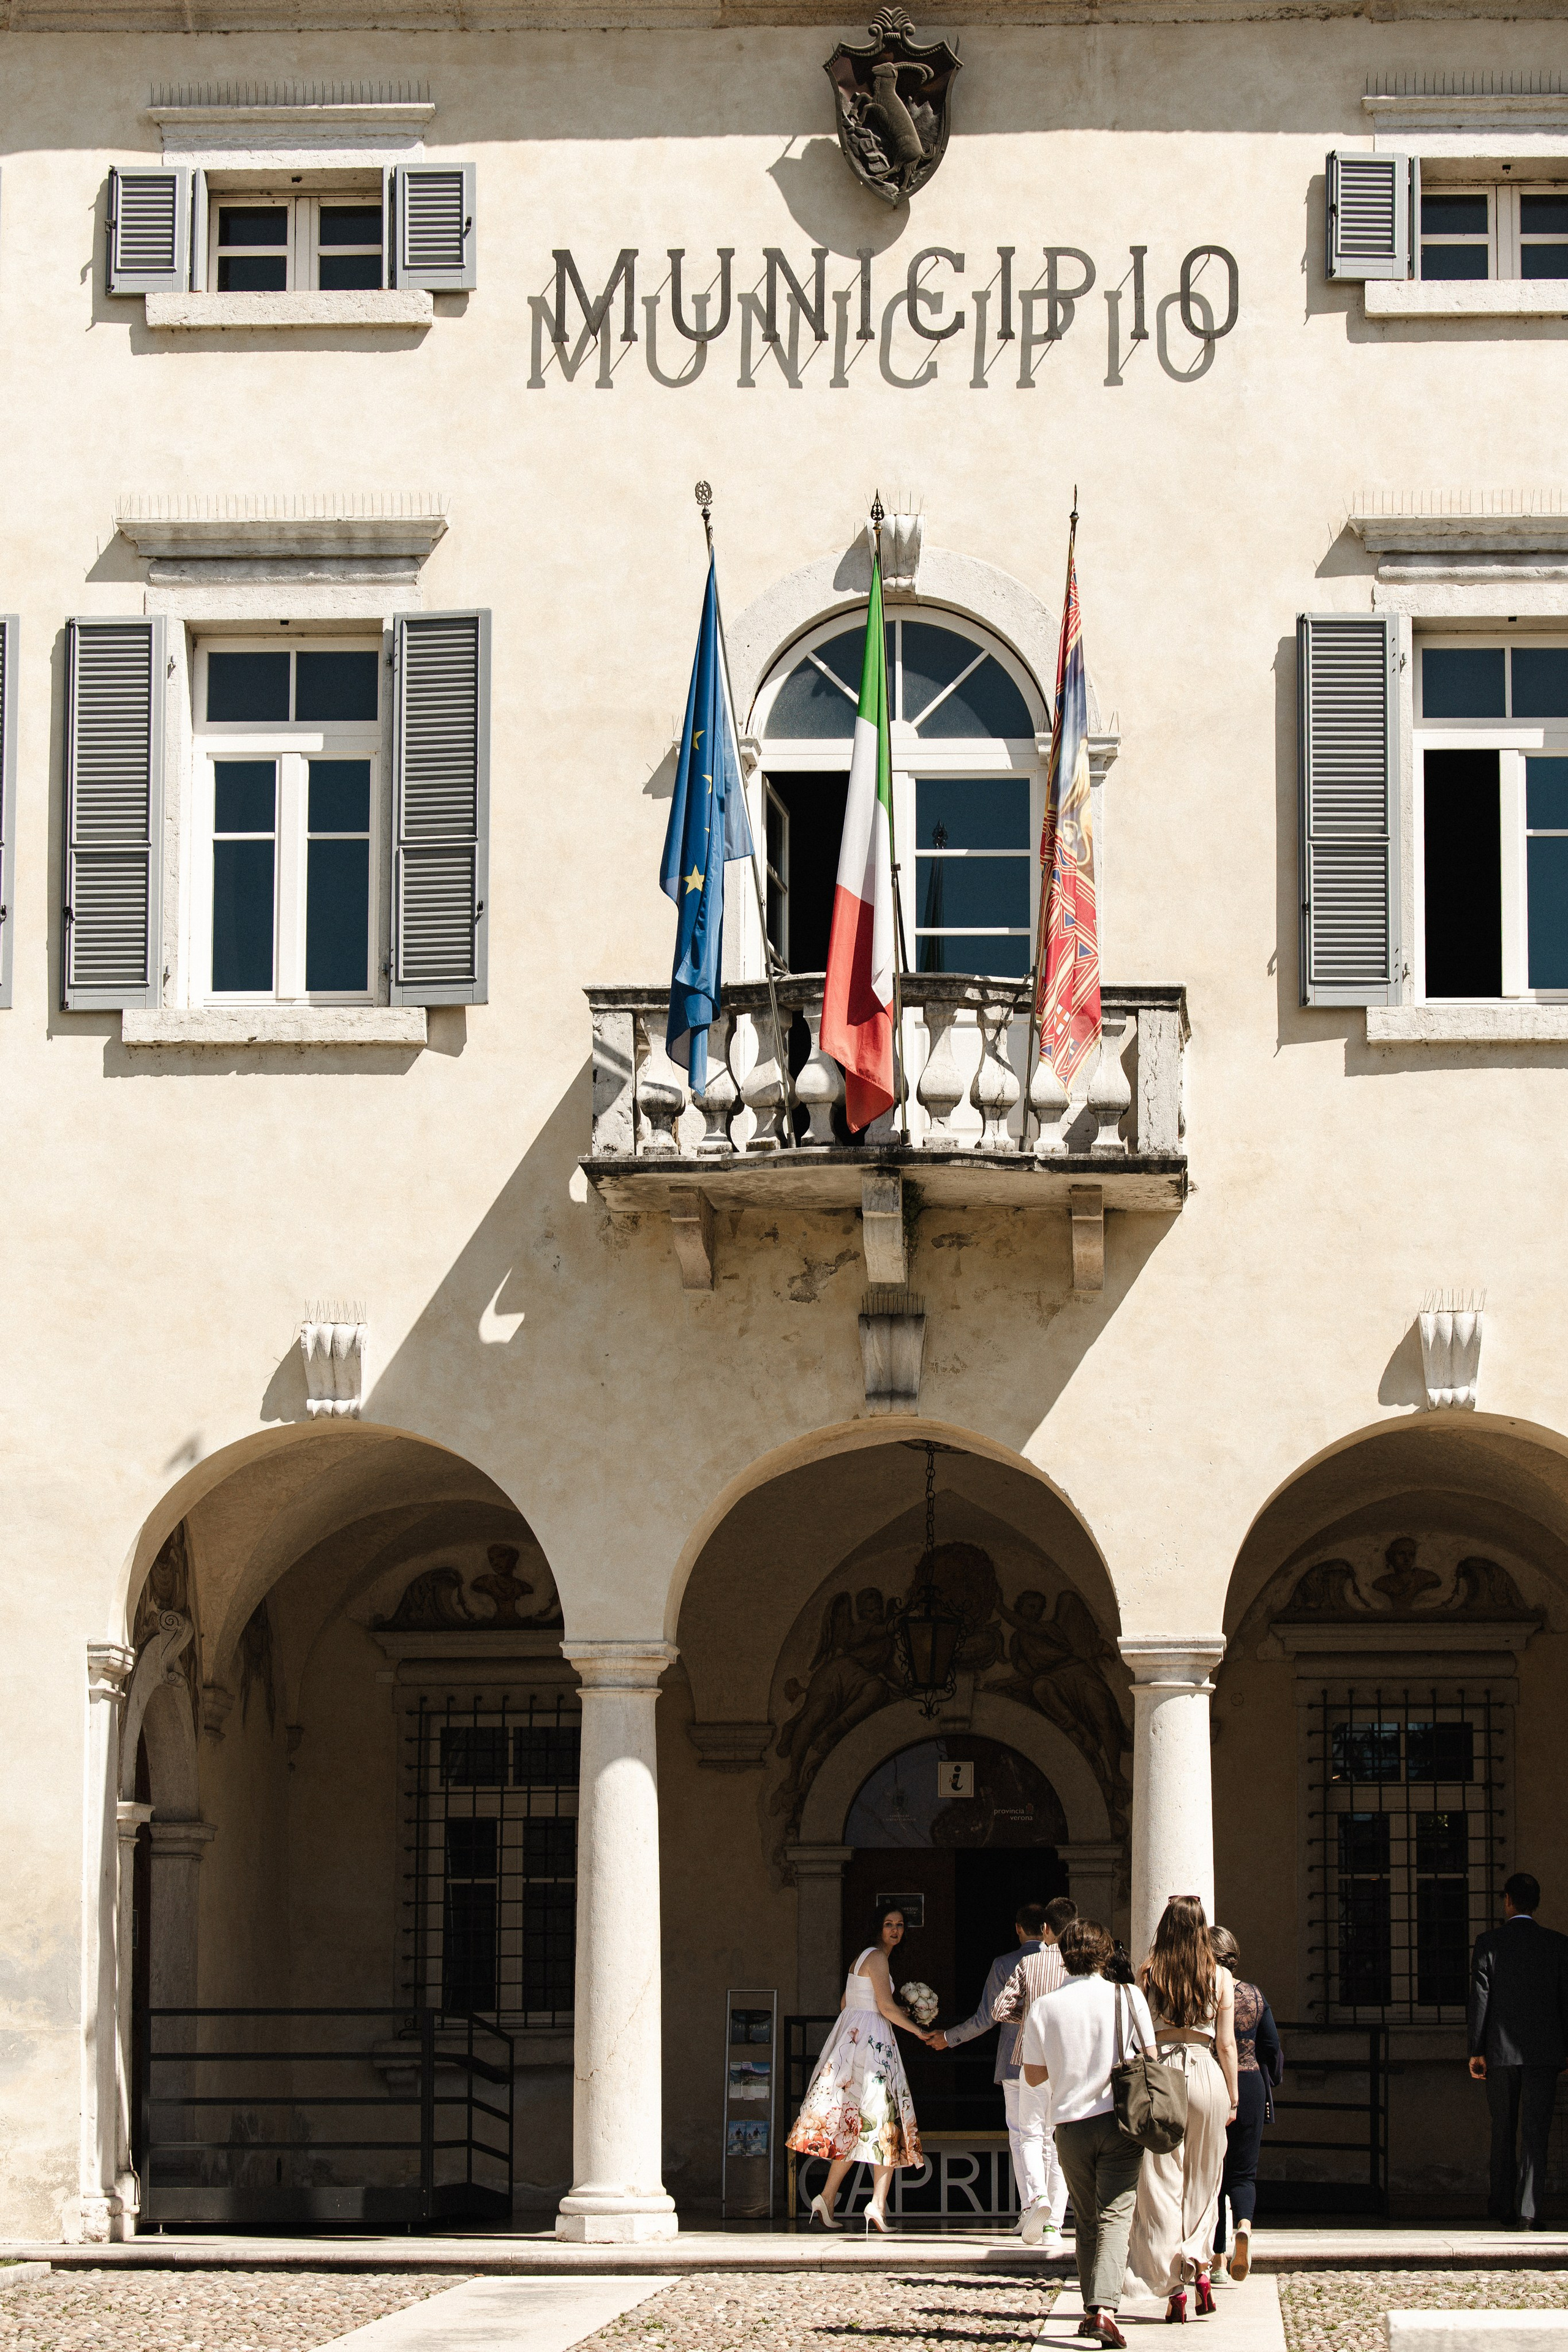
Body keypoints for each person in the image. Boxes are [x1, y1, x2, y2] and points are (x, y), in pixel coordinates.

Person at [1020, 1917, 1156, 2350]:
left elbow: (1035, 2075)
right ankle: (1104, 2311)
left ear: (1063, 1954)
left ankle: (1091, 2308)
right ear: (1103, 1954)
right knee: (1117, 2213)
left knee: (1085, 2218)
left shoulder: (1045, 2006)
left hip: (1070, 2125)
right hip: (1119, 2119)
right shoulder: (1128, 1995)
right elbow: (1150, 2056)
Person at [786, 1902, 938, 2232]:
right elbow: (885, 2006)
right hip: (873, 2043)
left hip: (853, 2040)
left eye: (900, 1925)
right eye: (889, 1924)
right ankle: (877, 2206)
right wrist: (918, 2029)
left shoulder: (861, 1958)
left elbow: (845, 2003)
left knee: (855, 2122)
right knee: (883, 2120)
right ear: (878, 1927)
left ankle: (827, 2197)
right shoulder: (879, 1958)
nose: (895, 1930)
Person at [1128, 1896, 1238, 2321]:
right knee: (1206, 2175)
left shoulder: (1149, 1971)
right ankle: (1201, 2264)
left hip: (1164, 2070)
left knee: (1160, 2178)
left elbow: (1138, 2033)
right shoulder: (1221, 1976)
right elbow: (1227, 2044)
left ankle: (1173, 2281)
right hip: (1207, 2068)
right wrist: (1233, 2094)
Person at [1468, 1871, 1568, 2229]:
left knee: (1503, 2130)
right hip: (1544, 2053)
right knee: (1536, 2132)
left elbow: (1481, 1998)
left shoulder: (1489, 1942)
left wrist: (1476, 2049)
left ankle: (1501, 2207)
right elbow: (1565, 2001)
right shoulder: (1558, 1945)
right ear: (1536, 1903)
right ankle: (1529, 2210)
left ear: (1508, 1901)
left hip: (1500, 2051)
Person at [992, 1894, 1080, 2242]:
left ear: (1045, 1929)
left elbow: (1001, 2009)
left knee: (1029, 2134)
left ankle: (1036, 2198)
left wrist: (1026, 2017)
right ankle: (1054, 2221)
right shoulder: (1081, 1967)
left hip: (1031, 2058)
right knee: (1058, 2139)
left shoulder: (1030, 1965)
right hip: (1071, 2062)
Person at [1208, 1926, 1283, 2282]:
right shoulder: (1252, 1994)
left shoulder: (1203, 1994)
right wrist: (1272, 2076)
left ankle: (1219, 2260)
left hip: (1215, 2082)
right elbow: (1271, 2044)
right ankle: (1245, 2226)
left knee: (1216, 2176)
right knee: (1244, 2173)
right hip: (1251, 2082)